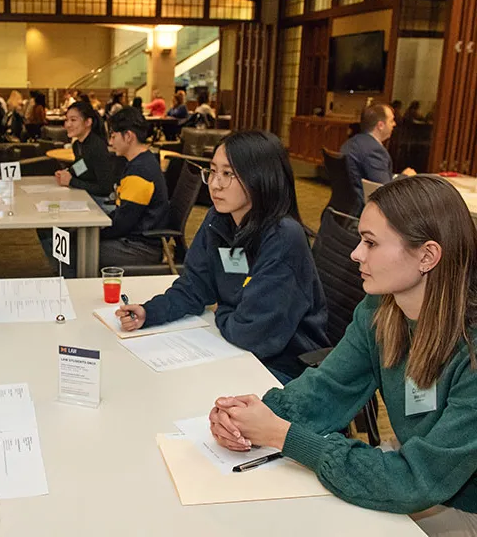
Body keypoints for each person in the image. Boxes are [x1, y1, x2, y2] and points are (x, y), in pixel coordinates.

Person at [210, 176, 477, 536]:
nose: (355, 253)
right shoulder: (380, 311)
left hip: (461, 505)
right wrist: (249, 419)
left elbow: (416, 480)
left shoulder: (470, 350)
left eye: (370, 243)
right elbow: (328, 387)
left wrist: (283, 436)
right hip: (412, 479)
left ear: (427, 255)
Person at [117, 131, 329, 382]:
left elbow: (252, 334)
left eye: (228, 174)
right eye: (213, 171)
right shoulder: (219, 221)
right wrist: (150, 312)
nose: (215, 184)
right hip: (234, 351)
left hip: (282, 369)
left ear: (259, 178)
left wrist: (223, 308)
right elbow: (194, 286)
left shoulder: (284, 237)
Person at [99, 106, 169, 267]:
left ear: (128, 136)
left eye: (113, 136)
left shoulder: (139, 172)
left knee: (76, 248)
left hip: (140, 248)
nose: (110, 142)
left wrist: (93, 234)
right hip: (136, 239)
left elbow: (122, 224)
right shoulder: (143, 161)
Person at [340, 103, 415, 210]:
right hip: (364, 210)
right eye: (391, 121)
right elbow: (384, 193)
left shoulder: (351, 143)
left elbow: (376, 175)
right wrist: (405, 178)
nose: (394, 124)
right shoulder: (375, 151)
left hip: (345, 207)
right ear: (380, 125)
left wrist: (396, 176)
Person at [55, 101, 115, 201]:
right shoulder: (77, 145)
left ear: (88, 122)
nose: (68, 124)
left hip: (100, 202)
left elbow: (105, 188)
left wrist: (71, 181)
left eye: (73, 120)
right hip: (85, 196)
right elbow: (82, 167)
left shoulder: (97, 146)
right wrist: (67, 173)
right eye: (67, 120)